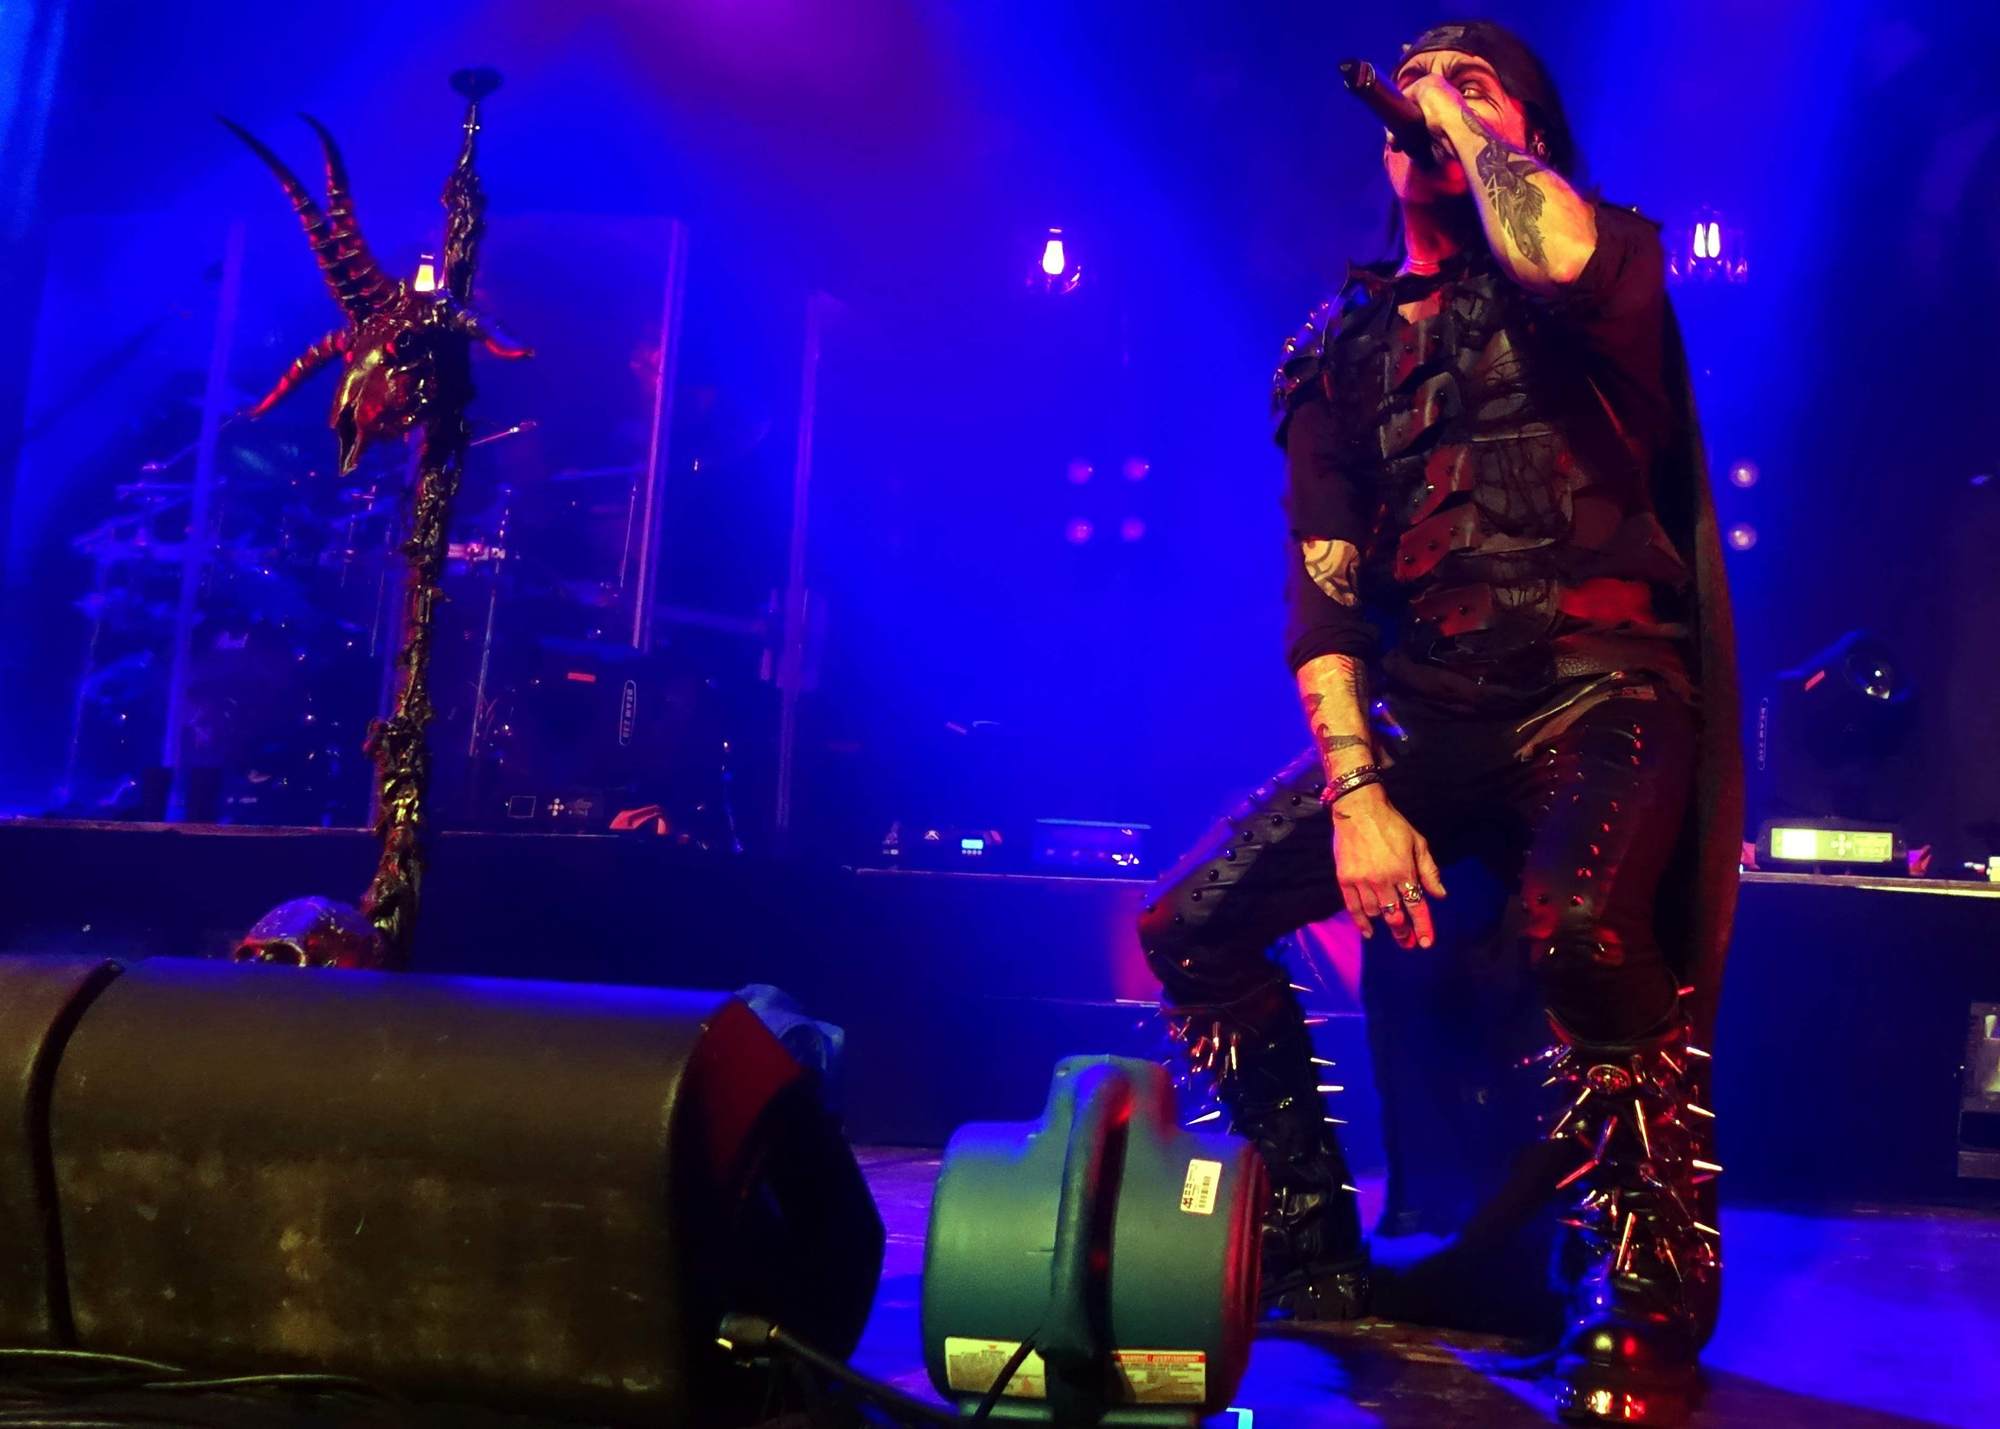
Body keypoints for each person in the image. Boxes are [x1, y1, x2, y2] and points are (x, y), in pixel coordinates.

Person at [1137, 20, 1741, 1425]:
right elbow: (1327, 595)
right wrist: (1358, 792)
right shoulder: (1336, 354)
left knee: (1581, 926)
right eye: (1416, 79)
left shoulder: (1599, 260)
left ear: (1532, 133)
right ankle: (1312, 1243)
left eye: (1477, 83)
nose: (1432, 97)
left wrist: (1467, 132)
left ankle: (1642, 1278)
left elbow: (1556, 252)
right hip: (1433, 716)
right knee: (1192, 927)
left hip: (1602, 688)